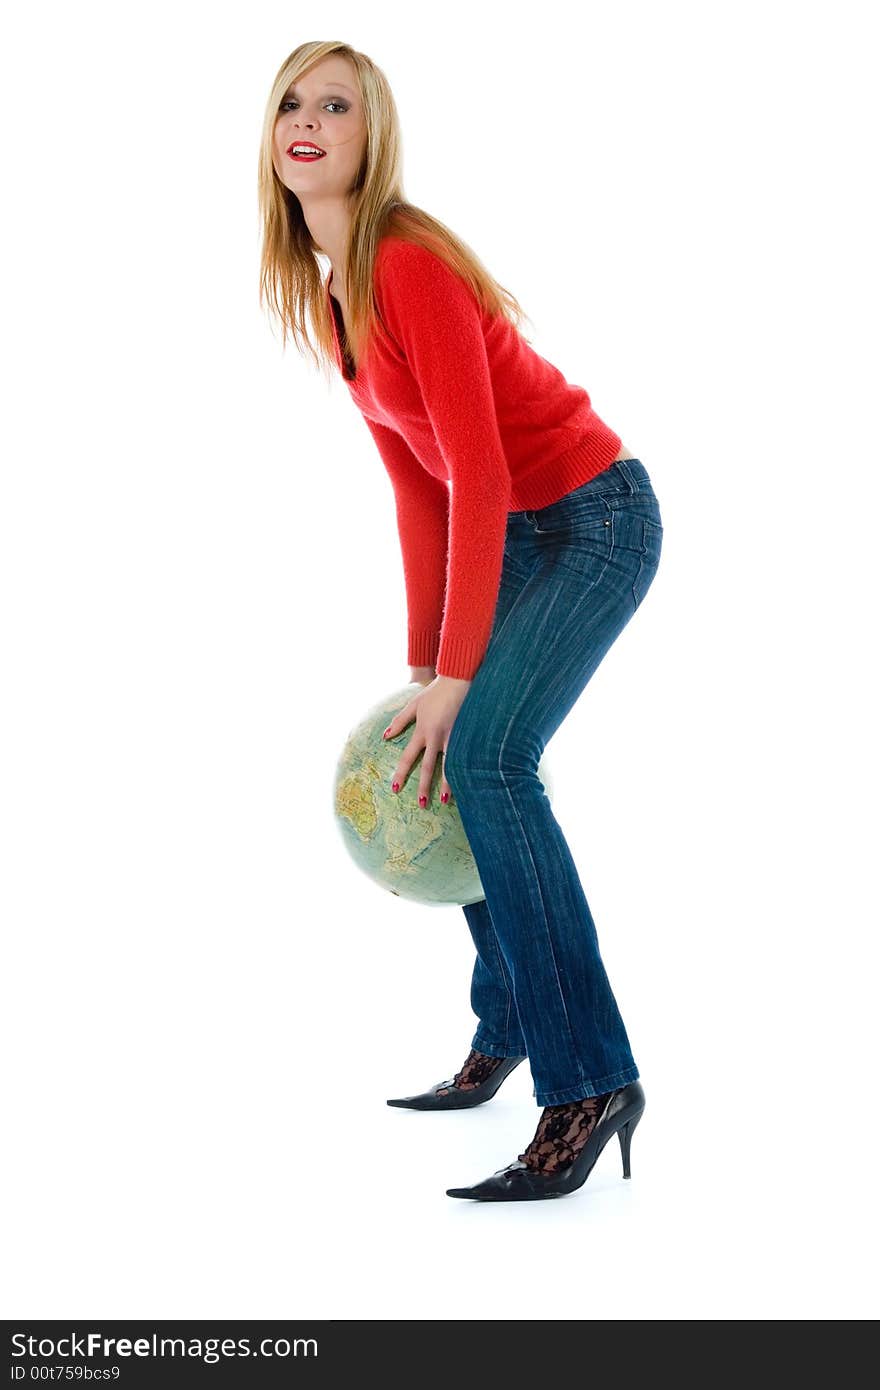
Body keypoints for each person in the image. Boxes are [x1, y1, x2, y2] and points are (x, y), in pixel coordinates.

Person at [259, 41, 663, 1202]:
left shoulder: (405, 259)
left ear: (370, 137)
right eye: (291, 102)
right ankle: (511, 1027)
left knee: (489, 754)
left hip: (594, 522)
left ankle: (589, 1082)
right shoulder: (338, 294)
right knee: (451, 751)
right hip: (520, 534)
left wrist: (456, 670)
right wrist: (421, 663)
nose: (308, 121)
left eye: (337, 105)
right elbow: (417, 486)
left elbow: (479, 472)